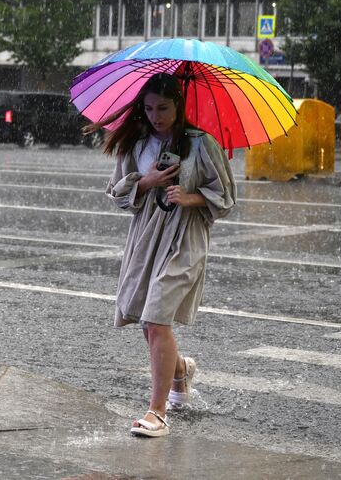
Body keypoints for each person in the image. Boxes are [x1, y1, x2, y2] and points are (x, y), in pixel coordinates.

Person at [83, 73, 236, 438]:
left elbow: (226, 198)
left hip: (185, 237)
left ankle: (157, 411)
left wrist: (191, 197)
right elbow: (118, 194)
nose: (156, 116)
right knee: (147, 320)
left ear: (179, 105)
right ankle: (179, 371)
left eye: (163, 108)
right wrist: (146, 182)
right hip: (146, 235)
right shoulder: (135, 144)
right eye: (149, 108)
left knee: (156, 318)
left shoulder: (201, 144)